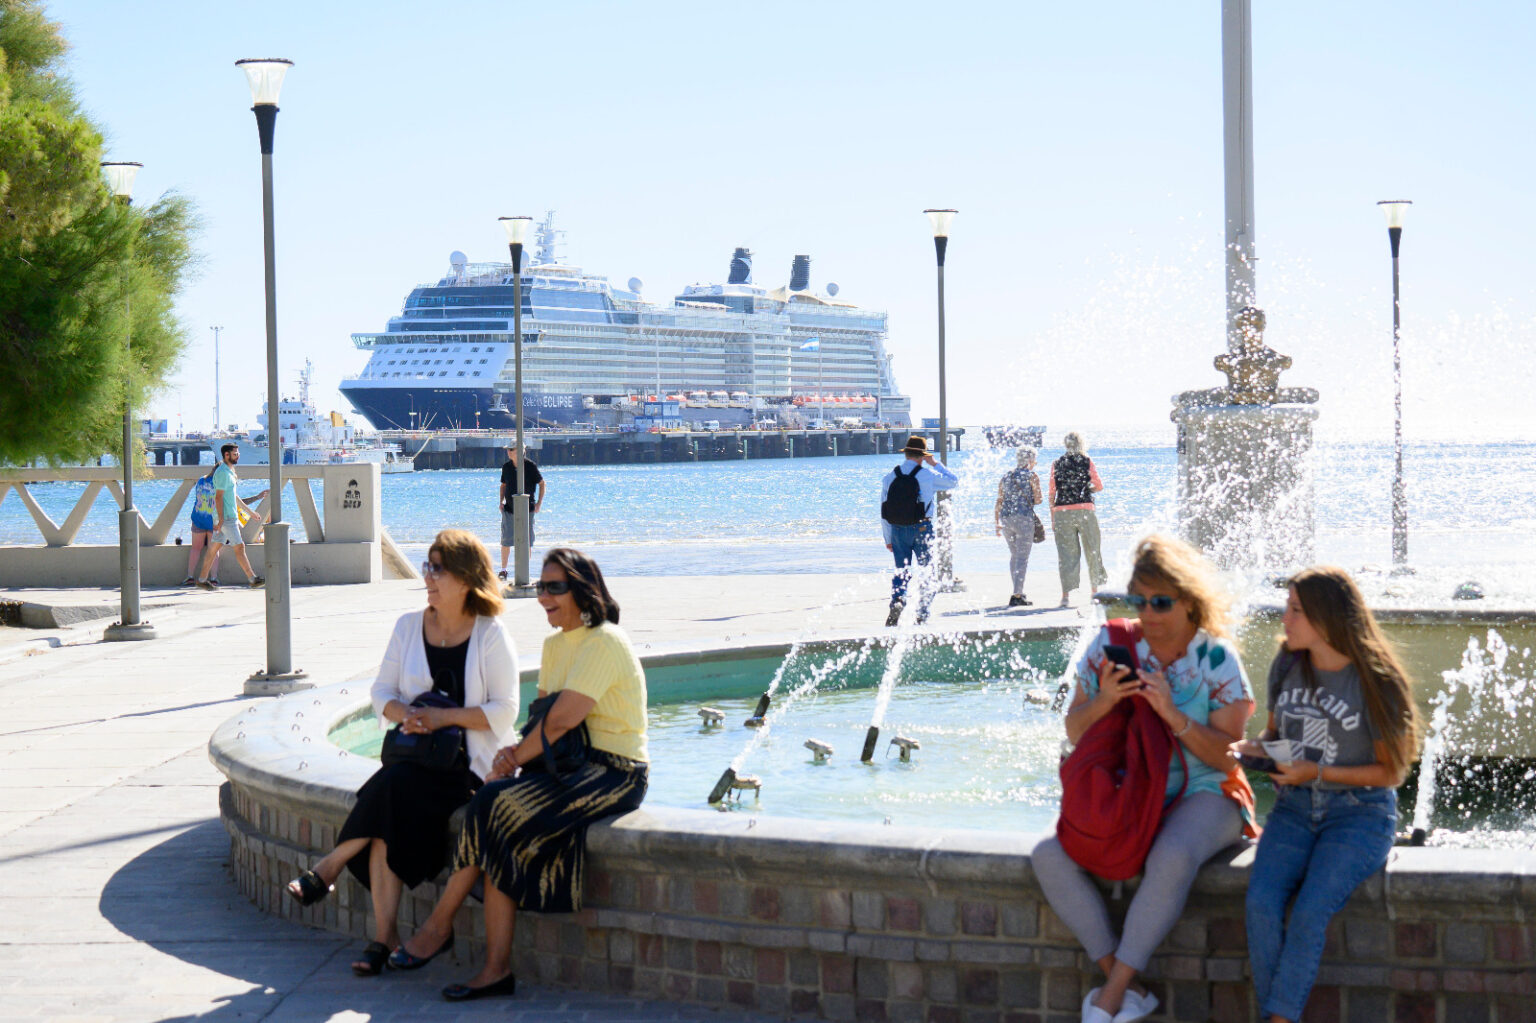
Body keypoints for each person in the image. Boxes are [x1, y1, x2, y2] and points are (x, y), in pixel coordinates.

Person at [392, 547, 648, 1002]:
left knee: (491, 804)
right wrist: (511, 759)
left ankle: (439, 925)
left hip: (615, 773)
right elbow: (539, 724)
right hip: (567, 767)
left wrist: (509, 761)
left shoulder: (605, 640)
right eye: (540, 588)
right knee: (491, 810)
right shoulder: (554, 646)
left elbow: (561, 720)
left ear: (582, 590)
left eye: (555, 588)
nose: (543, 596)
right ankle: (495, 970)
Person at [1031, 535, 1255, 1023]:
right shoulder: (1112, 645)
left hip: (1205, 790)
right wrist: (1106, 699)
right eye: (1138, 600)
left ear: (1190, 601)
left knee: (1171, 854)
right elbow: (1073, 728)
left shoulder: (1217, 660)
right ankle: (1122, 978)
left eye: (1160, 602)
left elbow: (1229, 758)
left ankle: (1111, 997)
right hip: (1130, 788)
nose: (1147, 614)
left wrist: (1173, 714)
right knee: (1048, 855)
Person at [284, 529, 519, 977]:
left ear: (468, 578)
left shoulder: (490, 634)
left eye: (439, 569)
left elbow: (505, 710)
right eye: (427, 567)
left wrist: (442, 719)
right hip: (415, 761)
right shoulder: (409, 626)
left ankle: (335, 876)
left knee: (390, 792)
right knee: (392, 797)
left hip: (468, 771)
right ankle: (381, 935)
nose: (428, 577)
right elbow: (381, 694)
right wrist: (407, 713)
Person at [1242, 567, 1421, 1023]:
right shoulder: (1287, 663)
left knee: (1308, 911)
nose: (1285, 618)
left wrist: (1317, 771)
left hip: (1359, 814)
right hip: (1295, 808)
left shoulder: (1375, 680)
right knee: (1261, 903)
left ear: (1327, 617)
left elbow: (1392, 771)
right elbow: (1274, 734)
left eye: (1296, 610)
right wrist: (1254, 752)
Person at [879, 435, 959, 627]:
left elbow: (884, 511)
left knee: (902, 571)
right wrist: (936, 463)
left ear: (906, 454)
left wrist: (888, 538)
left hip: (898, 530)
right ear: (922, 456)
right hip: (922, 528)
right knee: (928, 572)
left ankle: (898, 600)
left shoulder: (890, 477)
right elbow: (953, 481)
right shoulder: (927, 475)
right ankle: (922, 613)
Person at [195, 444, 266, 590]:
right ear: (226, 455)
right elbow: (219, 498)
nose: (238, 455)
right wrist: (221, 520)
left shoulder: (229, 471)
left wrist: (250, 513)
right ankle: (252, 578)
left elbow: (233, 496)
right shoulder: (222, 473)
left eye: (238, 453)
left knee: (214, 548)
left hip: (226, 517)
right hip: (226, 518)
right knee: (239, 547)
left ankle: (202, 579)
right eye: (235, 453)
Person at [1049, 430, 1107, 607]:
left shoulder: (1057, 463)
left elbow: (1052, 492)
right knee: (1093, 550)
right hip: (1084, 510)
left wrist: (1052, 516)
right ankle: (1095, 593)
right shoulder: (1087, 461)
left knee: (1066, 555)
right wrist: (1087, 488)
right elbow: (1099, 485)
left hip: (1062, 511)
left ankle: (1066, 596)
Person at [994, 447, 1042, 607]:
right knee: (1022, 558)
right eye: (1034, 460)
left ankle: (1018, 590)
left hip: (1006, 519)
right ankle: (1017, 594)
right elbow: (1039, 499)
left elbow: (999, 500)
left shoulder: (1006, 476)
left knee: (1014, 556)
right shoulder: (1032, 476)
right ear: (1029, 461)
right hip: (1023, 519)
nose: (1035, 464)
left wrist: (996, 523)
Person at [498, 445, 545, 581]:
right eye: (508, 449)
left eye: (511, 449)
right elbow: (503, 485)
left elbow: (542, 483)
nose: (508, 451)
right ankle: (503, 570)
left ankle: (524, 569)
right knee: (506, 539)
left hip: (527, 508)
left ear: (519, 451)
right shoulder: (506, 467)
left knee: (527, 540)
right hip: (509, 509)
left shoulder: (530, 466)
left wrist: (539, 504)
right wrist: (501, 501)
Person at [182, 467, 221, 587]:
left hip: (198, 517)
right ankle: (213, 578)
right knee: (213, 550)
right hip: (213, 521)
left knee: (196, 549)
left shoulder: (201, 480)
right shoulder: (222, 484)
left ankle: (190, 576)